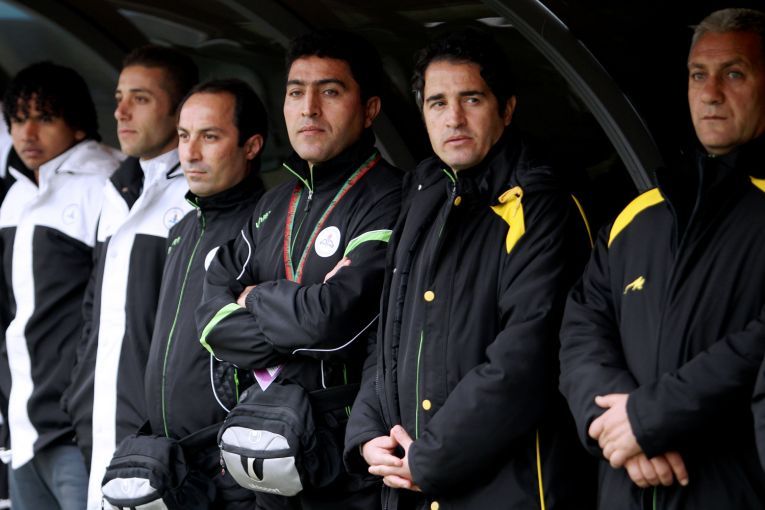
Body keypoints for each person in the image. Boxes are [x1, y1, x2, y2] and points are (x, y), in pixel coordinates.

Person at [344, 29, 594, 509]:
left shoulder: (540, 202)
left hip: (510, 491)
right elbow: (389, 329)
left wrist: (434, 458)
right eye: (437, 103)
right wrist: (368, 432)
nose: (453, 118)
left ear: (507, 109)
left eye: (472, 99)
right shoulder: (423, 193)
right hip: (412, 478)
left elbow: (526, 358)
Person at [560, 7, 765, 509]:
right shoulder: (639, 214)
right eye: (698, 75)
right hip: (626, 486)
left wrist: (648, 419)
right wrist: (615, 425)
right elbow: (581, 331)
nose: (710, 92)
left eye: (733, 74)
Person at [196, 30, 402, 509]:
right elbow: (209, 322)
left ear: (369, 109)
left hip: (349, 466)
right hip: (266, 452)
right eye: (295, 93)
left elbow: (332, 321)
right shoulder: (271, 204)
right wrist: (300, 310)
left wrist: (252, 297)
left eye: (329, 91)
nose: (308, 108)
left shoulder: (391, 197)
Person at [60, 44, 199, 510]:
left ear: (180, 110)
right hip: (100, 431)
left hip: (158, 448)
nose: (120, 111)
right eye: (120, 97)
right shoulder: (117, 187)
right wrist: (80, 398)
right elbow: (94, 312)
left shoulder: (197, 194)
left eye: (140, 98)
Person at [0, 61, 121, 510]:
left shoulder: (108, 182)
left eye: (45, 118)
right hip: (23, 425)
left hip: (80, 427)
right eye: (18, 120)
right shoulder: (16, 193)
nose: (27, 133)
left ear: (77, 123)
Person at [142, 79, 268, 508]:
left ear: (251, 146)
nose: (190, 153)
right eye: (183, 136)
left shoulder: (267, 226)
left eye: (209, 137)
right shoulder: (182, 230)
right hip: (174, 466)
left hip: (232, 467)